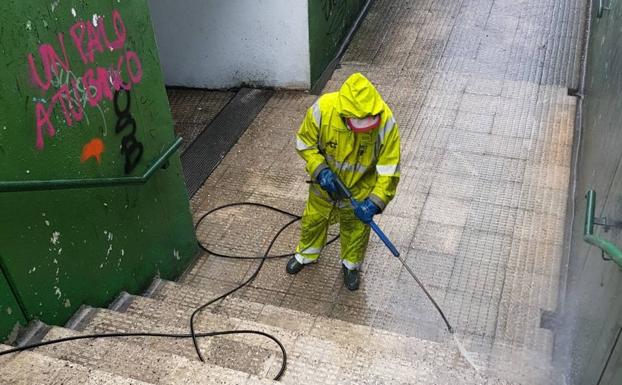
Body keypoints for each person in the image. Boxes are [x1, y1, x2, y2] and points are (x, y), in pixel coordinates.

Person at [286, 72, 401, 291]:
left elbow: (390, 169)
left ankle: (351, 265)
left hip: (359, 191)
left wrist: (375, 202)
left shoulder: (386, 122)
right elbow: (304, 143)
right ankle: (306, 254)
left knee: (356, 230)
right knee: (314, 221)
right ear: (344, 115)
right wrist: (320, 170)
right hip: (324, 189)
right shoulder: (323, 109)